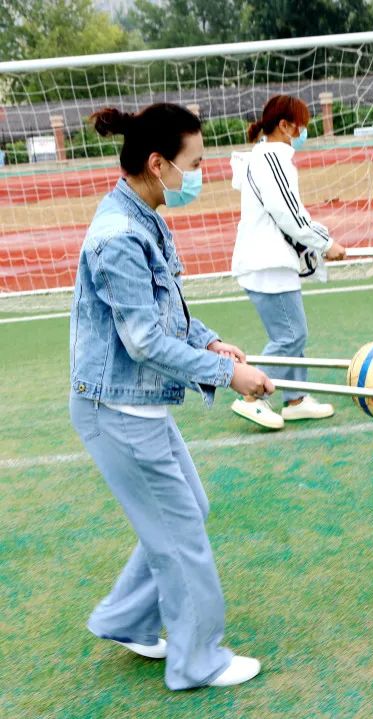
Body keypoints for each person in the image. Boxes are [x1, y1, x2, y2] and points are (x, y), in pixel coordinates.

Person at [69, 103, 274, 689]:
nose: (201, 175)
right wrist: (224, 374)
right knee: (181, 537)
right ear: (158, 164)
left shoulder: (143, 214)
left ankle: (124, 618)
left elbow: (166, 311)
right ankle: (196, 660)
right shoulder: (118, 237)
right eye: (195, 163)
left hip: (135, 407)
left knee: (188, 515)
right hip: (118, 411)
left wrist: (213, 344)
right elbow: (143, 341)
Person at [230, 94, 347, 430]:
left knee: (291, 334)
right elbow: (289, 215)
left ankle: (295, 399)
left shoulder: (268, 158)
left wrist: (322, 240)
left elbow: (291, 214)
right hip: (267, 264)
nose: (304, 130)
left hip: (271, 262)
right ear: (284, 126)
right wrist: (325, 244)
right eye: (302, 125)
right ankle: (251, 397)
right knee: (291, 335)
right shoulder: (271, 158)